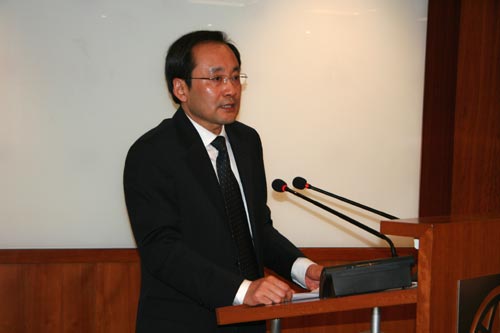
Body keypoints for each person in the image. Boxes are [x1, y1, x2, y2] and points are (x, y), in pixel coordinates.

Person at [123, 30, 323, 333]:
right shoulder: (152, 152)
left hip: (248, 321)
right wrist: (243, 291)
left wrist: (302, 268)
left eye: (235, 77)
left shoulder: (247, 141)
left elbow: (257, 229)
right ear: (181, 88)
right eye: (216, 79)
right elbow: (162, 250)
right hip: (184, 322)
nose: (230, 89)